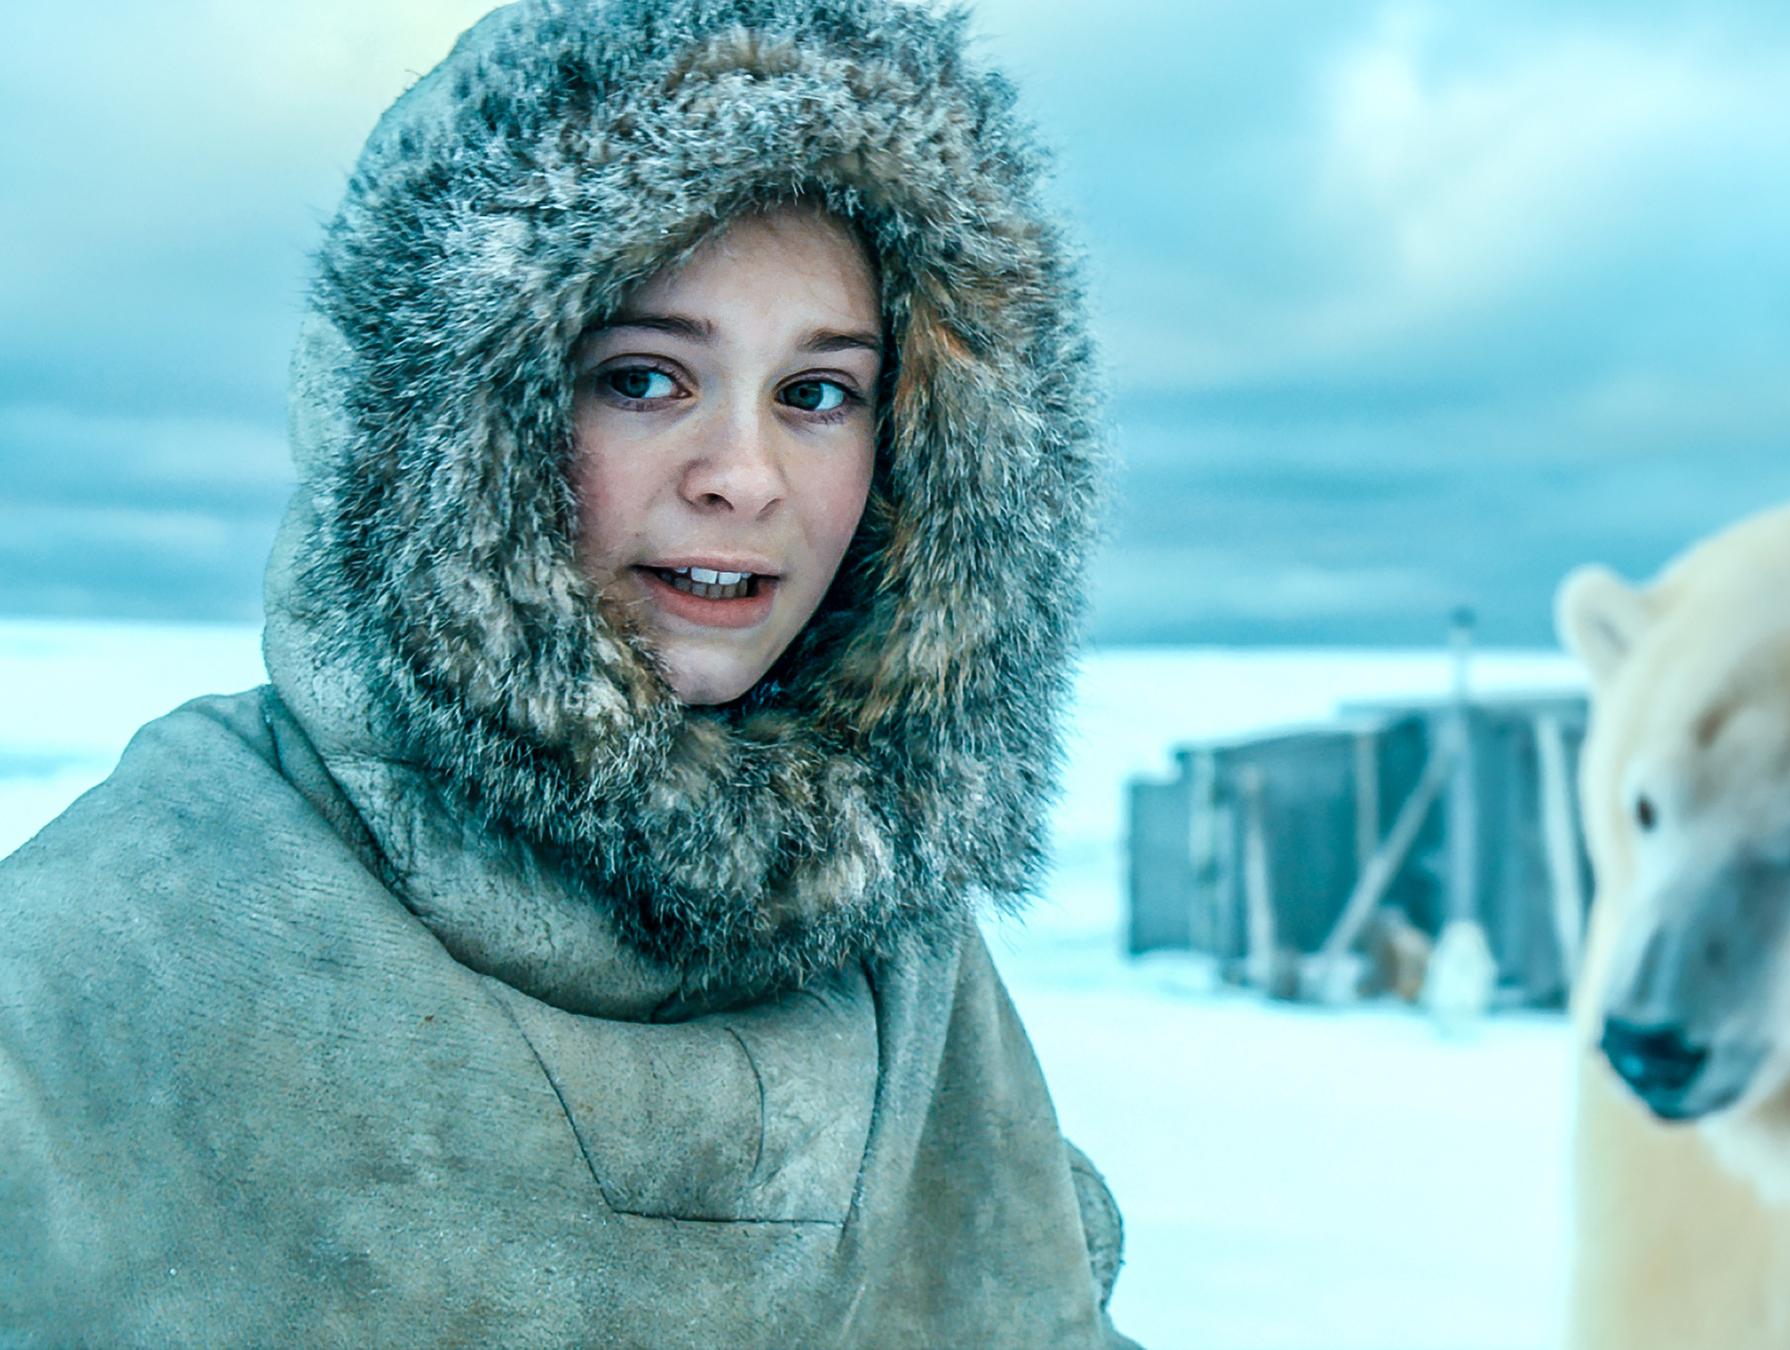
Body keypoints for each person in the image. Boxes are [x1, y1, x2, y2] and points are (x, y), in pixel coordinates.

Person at [0, 2, 1133, 1343]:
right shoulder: (119, 949)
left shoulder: (894, 947)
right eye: (646, 377)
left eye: (818, 394)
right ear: (456, 421)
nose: (744, 475)